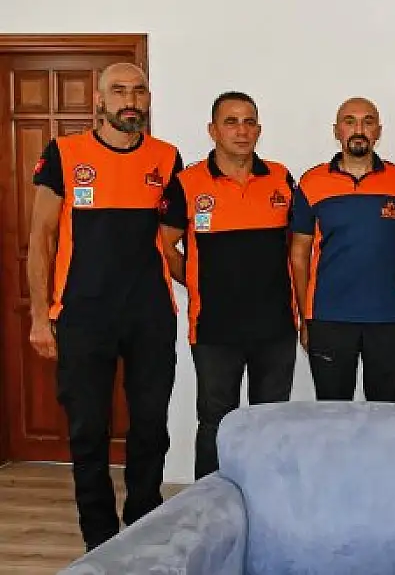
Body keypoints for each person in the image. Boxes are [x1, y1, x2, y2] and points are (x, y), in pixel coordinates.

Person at [26, 62, 183, 550]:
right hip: (83, 315)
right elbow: (41, 239)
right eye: (118, 91)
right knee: (88, 430)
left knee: (151, 427)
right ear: (99, 100)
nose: (129, 100)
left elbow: (173, 238)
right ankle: (99, 539)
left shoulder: (167, 158)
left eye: (138, 91)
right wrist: (40, 317)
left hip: (149, 314)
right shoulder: (64, 153)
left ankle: (142, 524)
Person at [159, 92, 297, 479]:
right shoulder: (187, 184)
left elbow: (298, 244)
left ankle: (265, 499)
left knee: (270, 423)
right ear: (213, 130)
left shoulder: (281, 178)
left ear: (259, 129)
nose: (242, 130)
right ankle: (209, 504)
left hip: (275, 327)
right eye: (231, 122)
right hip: (214, 329)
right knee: (216, 422)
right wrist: (197, 280)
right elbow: (165, 246)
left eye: (249, 122)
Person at [290, 97, 395, 402]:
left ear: (378, 131)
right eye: (350, 121)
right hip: (330, 318)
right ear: (336, 131)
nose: (359, 129)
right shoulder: (311, 183)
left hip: (388, 318)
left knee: (387, 414)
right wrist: (306, 318)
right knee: (332, 413)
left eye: (368, 122)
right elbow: (299, 256)